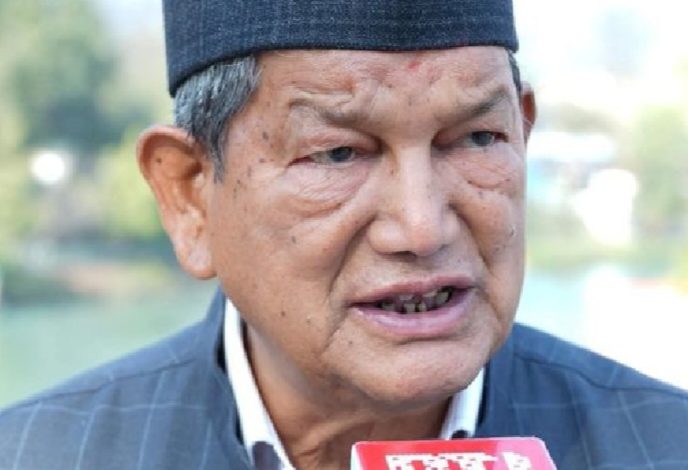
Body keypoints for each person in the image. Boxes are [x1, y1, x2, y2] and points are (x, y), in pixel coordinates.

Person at [1, 1, 687, 469]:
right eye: (337, 154)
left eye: (477, 138)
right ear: (190, 195)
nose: (422, 227)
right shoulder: (39, 453)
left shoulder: (664, 445)